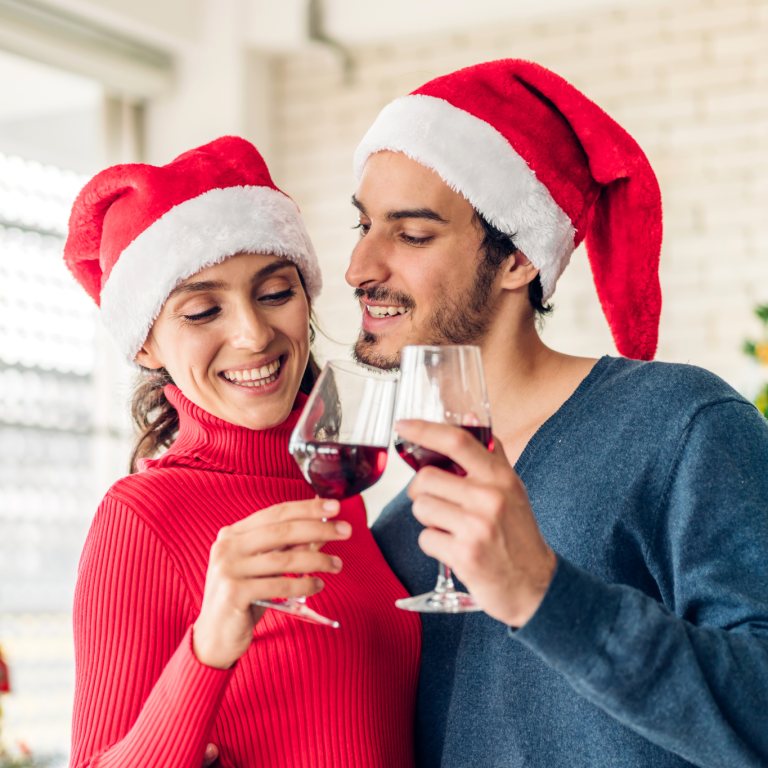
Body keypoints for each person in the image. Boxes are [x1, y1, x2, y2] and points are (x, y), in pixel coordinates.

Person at [346, 60, 768, 768]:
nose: (359, 265)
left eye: (411, 234)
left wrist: (546, 595)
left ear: (517, 257)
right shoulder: (400, 529)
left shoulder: (680, 427)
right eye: (362, 225)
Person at [65, 136, 421, 768]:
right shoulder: (141, 516)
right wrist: (210, 645)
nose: (253, 334)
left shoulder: (334, 489)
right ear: (147, 345)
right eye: (203, 311)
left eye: (275, 293)